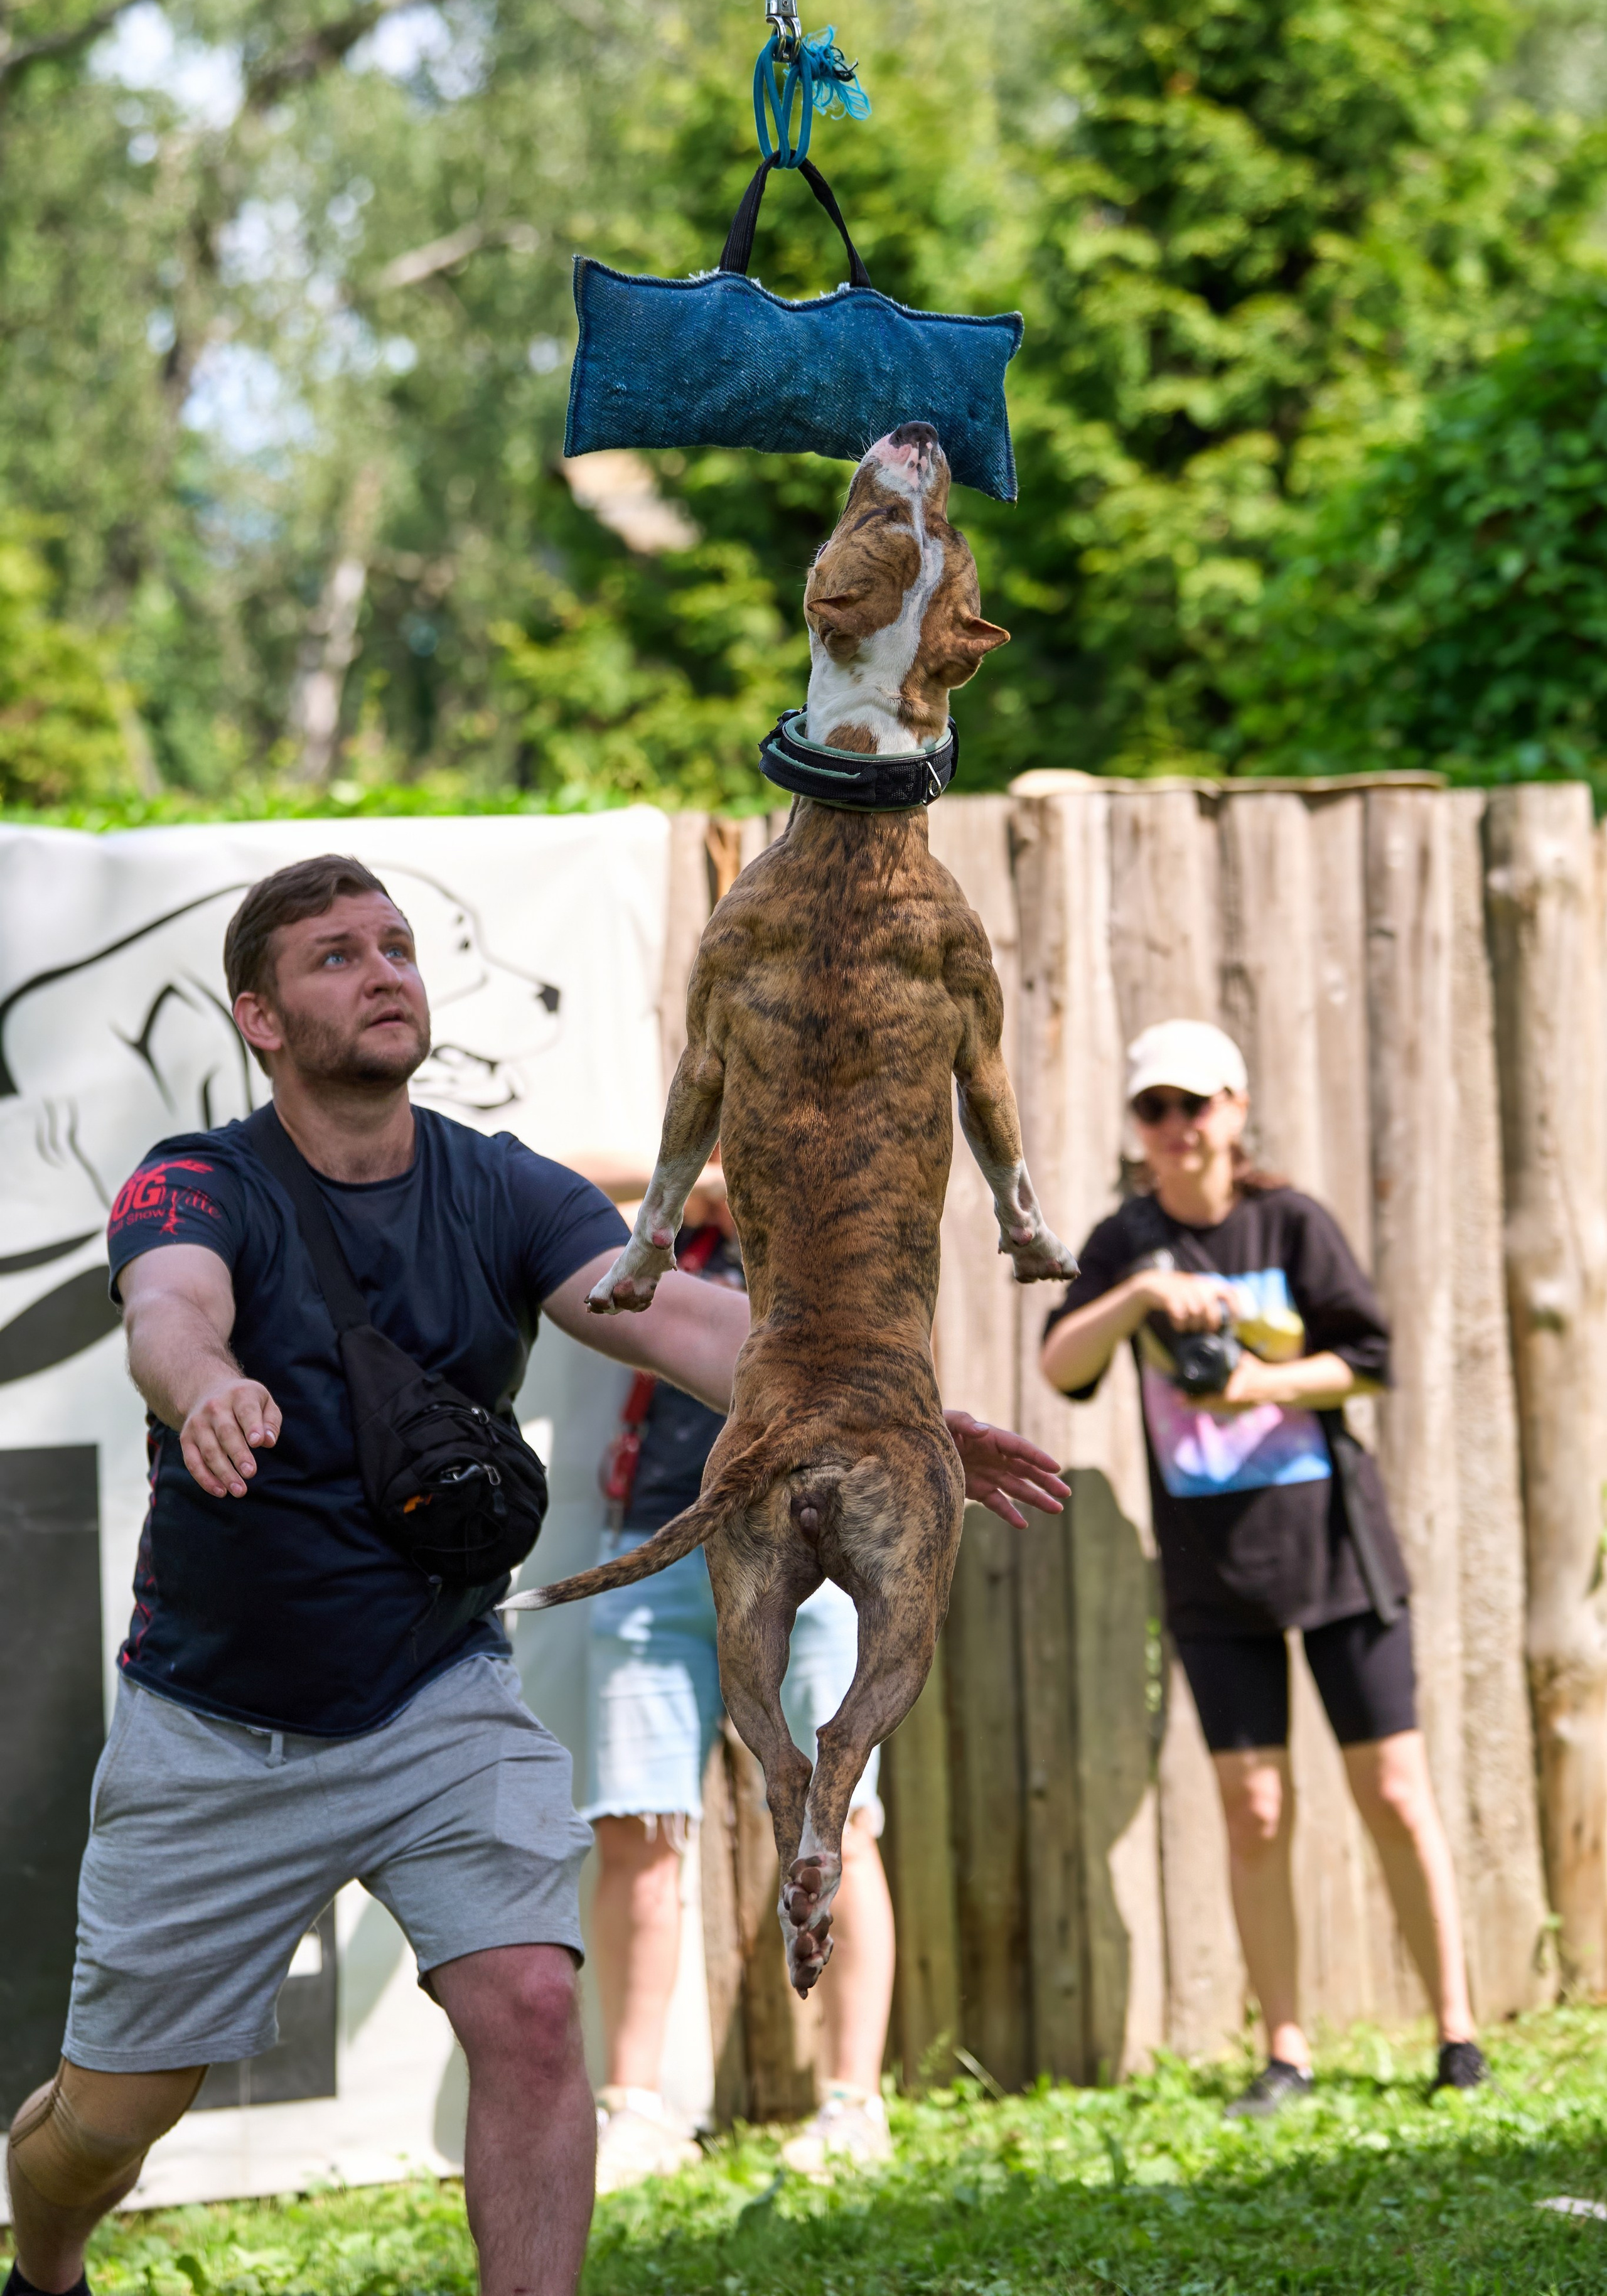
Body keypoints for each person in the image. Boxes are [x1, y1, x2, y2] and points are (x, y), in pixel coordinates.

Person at [4, 853, 1068, 2296]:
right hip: (219, 1730)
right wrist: (202, 1389)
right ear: (258, 1018)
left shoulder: (498, 1185)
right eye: (336, 957)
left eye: (396, 946)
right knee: (104, 2126)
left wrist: (882, 1408)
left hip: (440, 1699)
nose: (384, 972)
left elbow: (683, 1318)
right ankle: (48, 2264)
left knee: (525, 2007)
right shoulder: (199, 1180)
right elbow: (168, 1307)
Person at [1039, 1017, 1486, 2115]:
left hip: (1340, 1558)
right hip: (1214, 1579)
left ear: (1237, 1109)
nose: (1179, 1128)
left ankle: (1458, 2037)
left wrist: (1258, 1377)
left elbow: (1370, 1358)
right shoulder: (1121, 1241)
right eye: (1156, 1109)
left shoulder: (1290, 1222)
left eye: (1198, 1105)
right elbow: (1062, 1366)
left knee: (1393, 1792)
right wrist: (1143, 1297)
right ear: (1136, 1127)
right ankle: (1287, 2051)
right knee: (1256, 1813)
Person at [586, 1167, 894, 2189]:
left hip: (812, 1546)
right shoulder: (676, 1220)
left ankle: (853, 2107)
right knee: (638, 1826)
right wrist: (692, 1183)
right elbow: (539, 1191)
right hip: (655, 1541)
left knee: (835, 1825)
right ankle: (633, 2113)